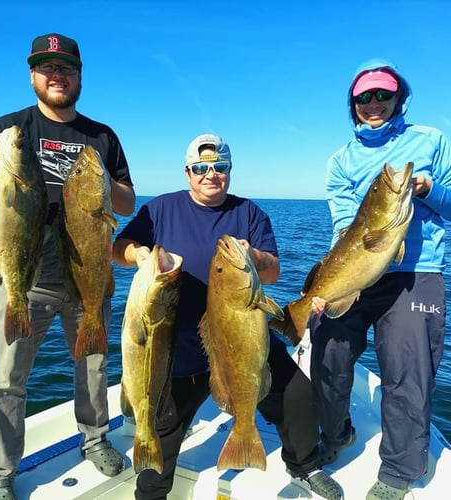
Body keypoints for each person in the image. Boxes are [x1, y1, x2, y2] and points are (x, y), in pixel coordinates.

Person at [113, 134, 344, 500]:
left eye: (219, 167)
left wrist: (255, 257)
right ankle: (152, 492)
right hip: (180, 349)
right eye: (201, 168)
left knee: (297, 394)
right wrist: (140, 256)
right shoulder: (159, 209)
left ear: (230, 171)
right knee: (162, 432)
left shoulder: (250, 213)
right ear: (188, 172)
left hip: (245, 343)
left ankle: (305, 466)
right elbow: (117, 248)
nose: (211, 174)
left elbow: (272, 272)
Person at [0, 33, 136, 500]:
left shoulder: (102, 136)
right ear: (32, 75)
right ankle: (0, 474)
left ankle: (95, 439)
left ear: (79, 75)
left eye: (66, 68)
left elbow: (129, 201)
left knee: (93, 367)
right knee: (8, 378)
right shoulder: (10, 129)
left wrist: (98, 185)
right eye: (46, 67)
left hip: (88, 277)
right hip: (26, 279)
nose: (57, 75)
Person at [309, 59, 451, 500]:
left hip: (416, 273)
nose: (375, 103)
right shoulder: (340, 161)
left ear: (399, 97)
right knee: (325, 348)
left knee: (407, 371)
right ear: (353, 104)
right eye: (365, 97)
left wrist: (428, 190)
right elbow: (346, 224)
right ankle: (336, 432)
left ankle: (399, 470)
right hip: (360, 268)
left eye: (384, 94)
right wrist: (328, 286)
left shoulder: (430, 140)